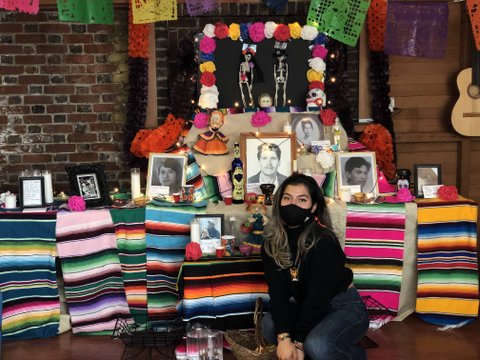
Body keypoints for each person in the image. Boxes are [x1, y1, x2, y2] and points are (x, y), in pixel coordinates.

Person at [261, 173, 369, 360]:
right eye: (287, 198)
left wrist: (299, 342)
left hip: (342, 306)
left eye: (301, 200)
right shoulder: (271, 245)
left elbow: (317, 297)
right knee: (269, 326)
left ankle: (354, 355)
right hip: (304, 305)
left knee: (317, 345)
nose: (292, 204)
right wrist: (284, 337)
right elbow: (278, 294)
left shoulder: (323, 240)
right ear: (279, 203)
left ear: (314, 207)